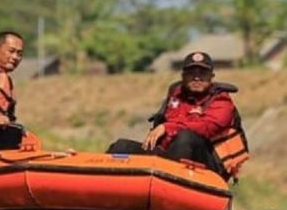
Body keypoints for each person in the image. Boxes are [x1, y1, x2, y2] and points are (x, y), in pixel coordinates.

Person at [106, 51, 250, 180]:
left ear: (211, 77)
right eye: (192, 73)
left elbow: (207, 127)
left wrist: (169, 127)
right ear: (183, 76)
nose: (197, 78)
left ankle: (169, 184)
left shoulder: (222, 101)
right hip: (170, 155)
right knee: (121, 146)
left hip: (207, 163)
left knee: (185, 137)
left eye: (202, 73)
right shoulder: (176, 96)